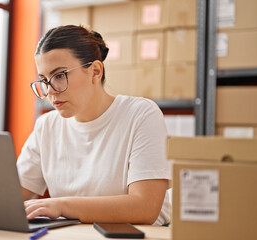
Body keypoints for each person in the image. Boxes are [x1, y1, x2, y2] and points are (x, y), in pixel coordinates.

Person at [16, 25, 171, 225]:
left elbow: (145, 207)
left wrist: (61, 206)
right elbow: (11, 197)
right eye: (45, 80)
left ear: (95, 72)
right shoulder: (47, 126)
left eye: (60, 76)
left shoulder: (140, 114)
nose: (51, 91)